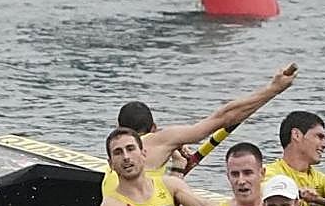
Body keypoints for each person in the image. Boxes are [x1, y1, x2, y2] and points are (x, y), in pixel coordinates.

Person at [103, 64, 296, 191]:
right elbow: (223, 117)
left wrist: (177, 167)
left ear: (118, 127)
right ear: (154, 128)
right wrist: (273, 89)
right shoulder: (159, 141)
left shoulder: (114, 159)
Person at [263, 110, 325, 206]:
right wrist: (294, 191)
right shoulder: (267, 173)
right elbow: (262, 188)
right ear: (296, 135)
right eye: (319, 137)